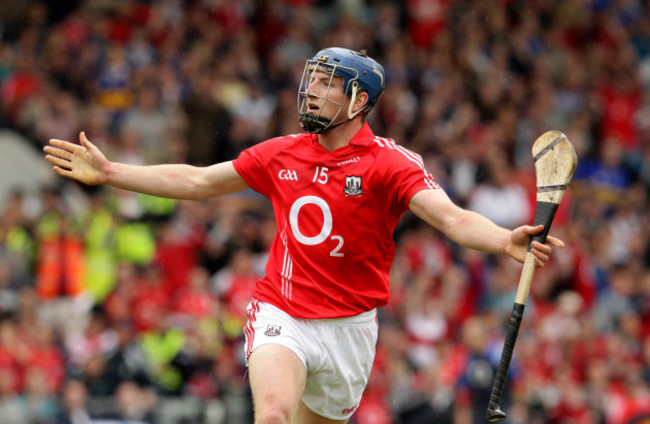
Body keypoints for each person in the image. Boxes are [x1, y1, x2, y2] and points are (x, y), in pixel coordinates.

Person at [44, 47, 564, 424]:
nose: (310, 91)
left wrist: (503, 240)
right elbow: (200, 181)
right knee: (273, 415)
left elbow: (451, 218)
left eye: (325, 83)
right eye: (311, 79)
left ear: (358, 99)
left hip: (350, 329)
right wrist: (113, 173)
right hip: (283, 311)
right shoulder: (282, 153)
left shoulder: (390, 164)